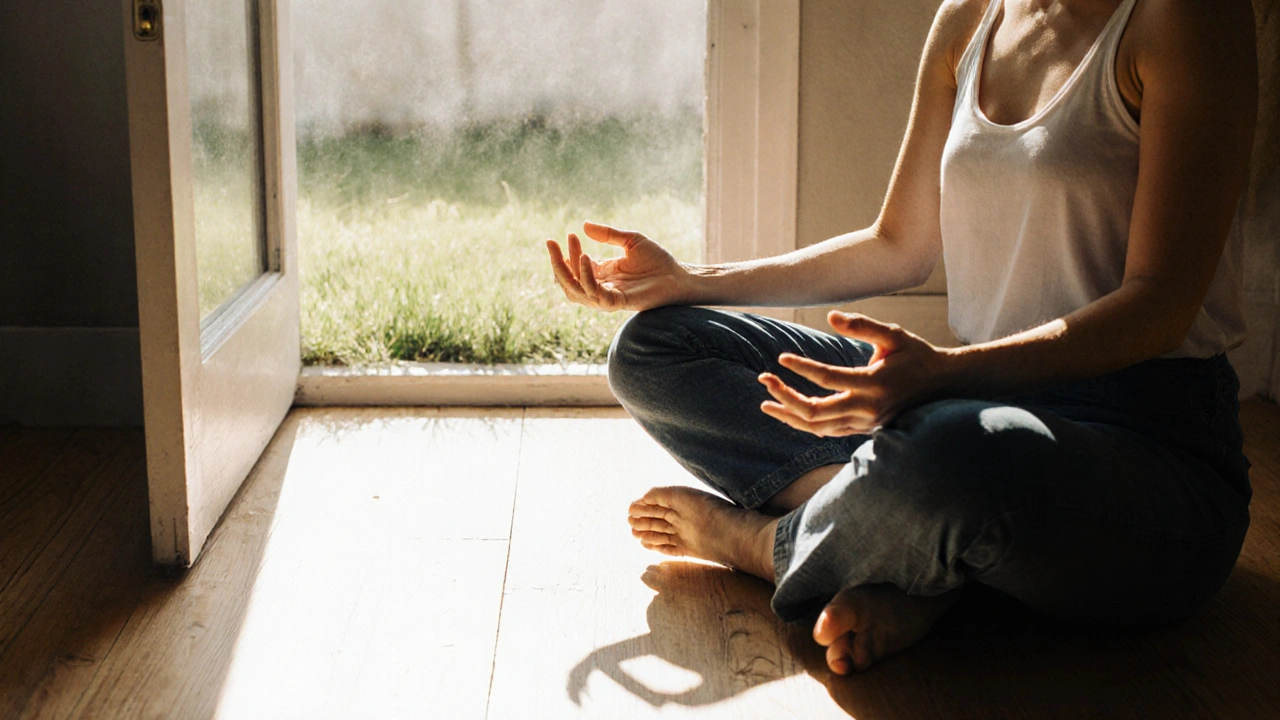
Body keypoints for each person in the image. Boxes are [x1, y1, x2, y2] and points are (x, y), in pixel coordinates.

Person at [545, 0, 1257, 675]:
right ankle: (916, 553)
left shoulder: (1187, 18)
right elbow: (898, 244)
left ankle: (772, 545)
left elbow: (1160, 304)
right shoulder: (969, 19)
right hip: (965, 404)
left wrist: (947, 374)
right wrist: (689, 281)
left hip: (1145, 451)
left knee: (961, 452)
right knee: (654, 350)